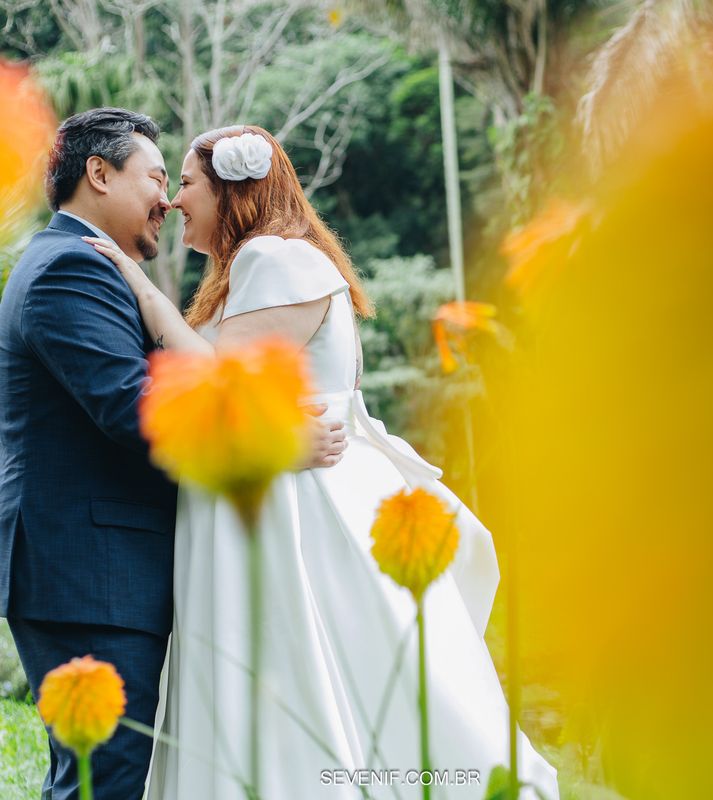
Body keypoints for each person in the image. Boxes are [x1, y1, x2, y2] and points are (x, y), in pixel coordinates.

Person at [86, 124, 559, 799]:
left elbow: (214, 378)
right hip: (274, 486)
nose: (173, 201)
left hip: (296, 504)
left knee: (309, 675)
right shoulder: (256, 267)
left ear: (233, 189)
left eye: (186, 182)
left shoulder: (274, 259)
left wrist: (136, 281)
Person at [0, 108, 346, 800]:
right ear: (99, 174)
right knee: (104, 781)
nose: (168, 198)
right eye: (159, 177)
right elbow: (140, 411)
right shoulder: (71, 267)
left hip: (106, 574)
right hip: (90, 580)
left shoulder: (93, 265)